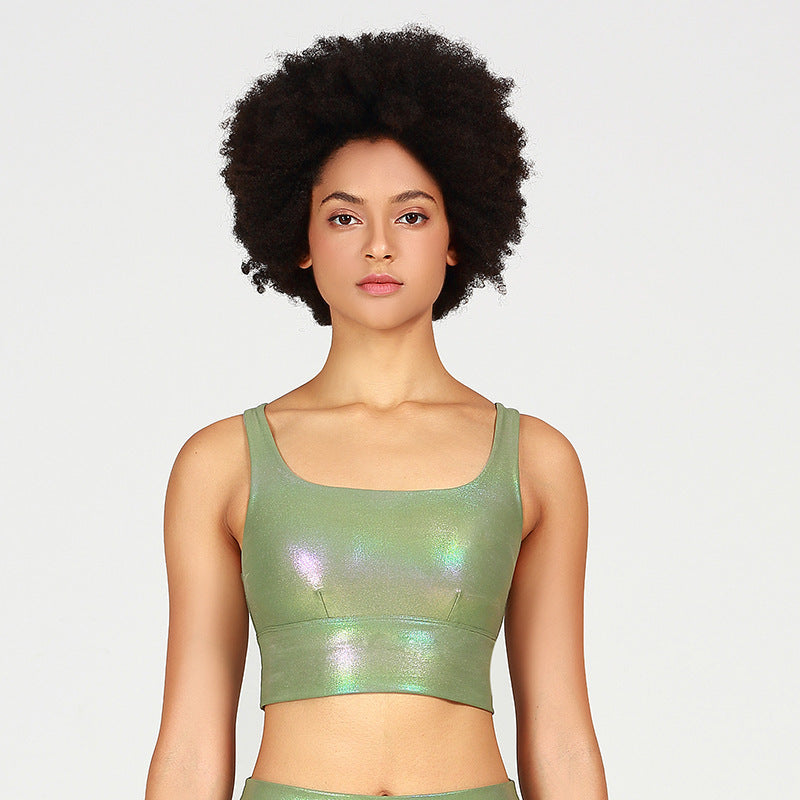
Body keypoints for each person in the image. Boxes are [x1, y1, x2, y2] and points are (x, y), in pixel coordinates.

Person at [145, 25, 608, 800]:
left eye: (413, 215)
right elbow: (191, 744)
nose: (380, 247)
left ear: (457, 235)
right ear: (299, 238)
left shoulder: (536, 461)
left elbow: (560, 733)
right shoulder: (221, 463)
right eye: (344, 217)